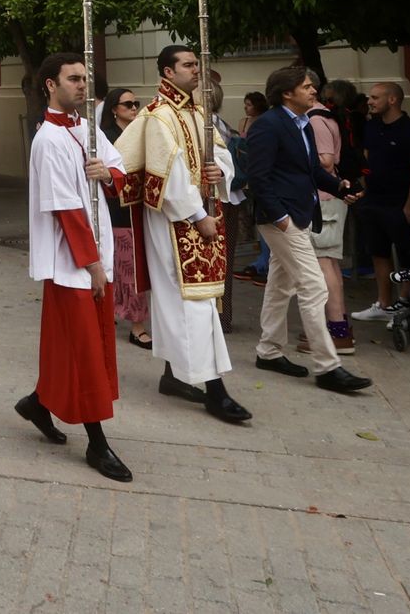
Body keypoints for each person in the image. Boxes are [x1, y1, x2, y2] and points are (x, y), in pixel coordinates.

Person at [113, 45, 250, 425]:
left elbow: (222, 155)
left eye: (197, 64)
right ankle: (214, 389)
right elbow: (167, 175)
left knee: (193, 302)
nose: (196, 70)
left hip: (204, 216)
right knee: (192, 303)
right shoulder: (158, 117)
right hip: (176, 224)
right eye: (189, 65)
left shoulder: (196, 111)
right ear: (167, 73)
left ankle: (173, 376)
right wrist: (197, 214)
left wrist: (218, 173)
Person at [13, 53, 132, 482]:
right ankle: (97, 445)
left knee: (78, 346)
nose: (83, 85)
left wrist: (107, 174)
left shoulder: (87, 128)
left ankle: (38, 403)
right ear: (50, 85)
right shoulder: (47, 140)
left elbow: (121, 172)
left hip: (93, 257)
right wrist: (94, 266)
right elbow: (66, 210)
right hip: (72, 263)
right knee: (85, 350)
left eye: (85, 79)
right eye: (74, 79)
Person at [245, 66, 372, 395]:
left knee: (279, 287)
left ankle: (269, 352)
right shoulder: (268, 125)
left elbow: (311, 169)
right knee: (314, 287)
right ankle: (328, 367)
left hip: (298, 213)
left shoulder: (302, 123)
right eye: (306, 86)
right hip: (280, 219)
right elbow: (258, 177)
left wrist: (341, 187)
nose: (314, 90)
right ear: (287, 93)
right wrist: (281, 218)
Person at [351, 82, 410, 323]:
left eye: (375, 97)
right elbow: (366, 159)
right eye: (370, 98)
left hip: (400, 204)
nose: (370, 102)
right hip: (374, 201)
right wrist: (365, 188)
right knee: (378, 253)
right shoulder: (371, 127)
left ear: (393, 100)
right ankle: (383, 304)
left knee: (406, 256)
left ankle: (403, 305)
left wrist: (408, 207)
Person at [301, 80, 354, 356]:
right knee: (329, 264)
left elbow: (326, 160)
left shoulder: (316, 120)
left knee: (323, 264)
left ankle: (336, 331)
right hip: (328, 198)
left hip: (324, 199)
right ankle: (339, 326)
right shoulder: (322, 116)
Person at [99, 86, 150, 348]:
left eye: (135, 103)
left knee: (129, 267)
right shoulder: (107, 137)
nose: (133, 108)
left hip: (142, 209)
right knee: (128, 269)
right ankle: (137, 326)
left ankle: (120, 315)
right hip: (118, 211)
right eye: (127, 104)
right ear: (113, 109)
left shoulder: (140, 133)